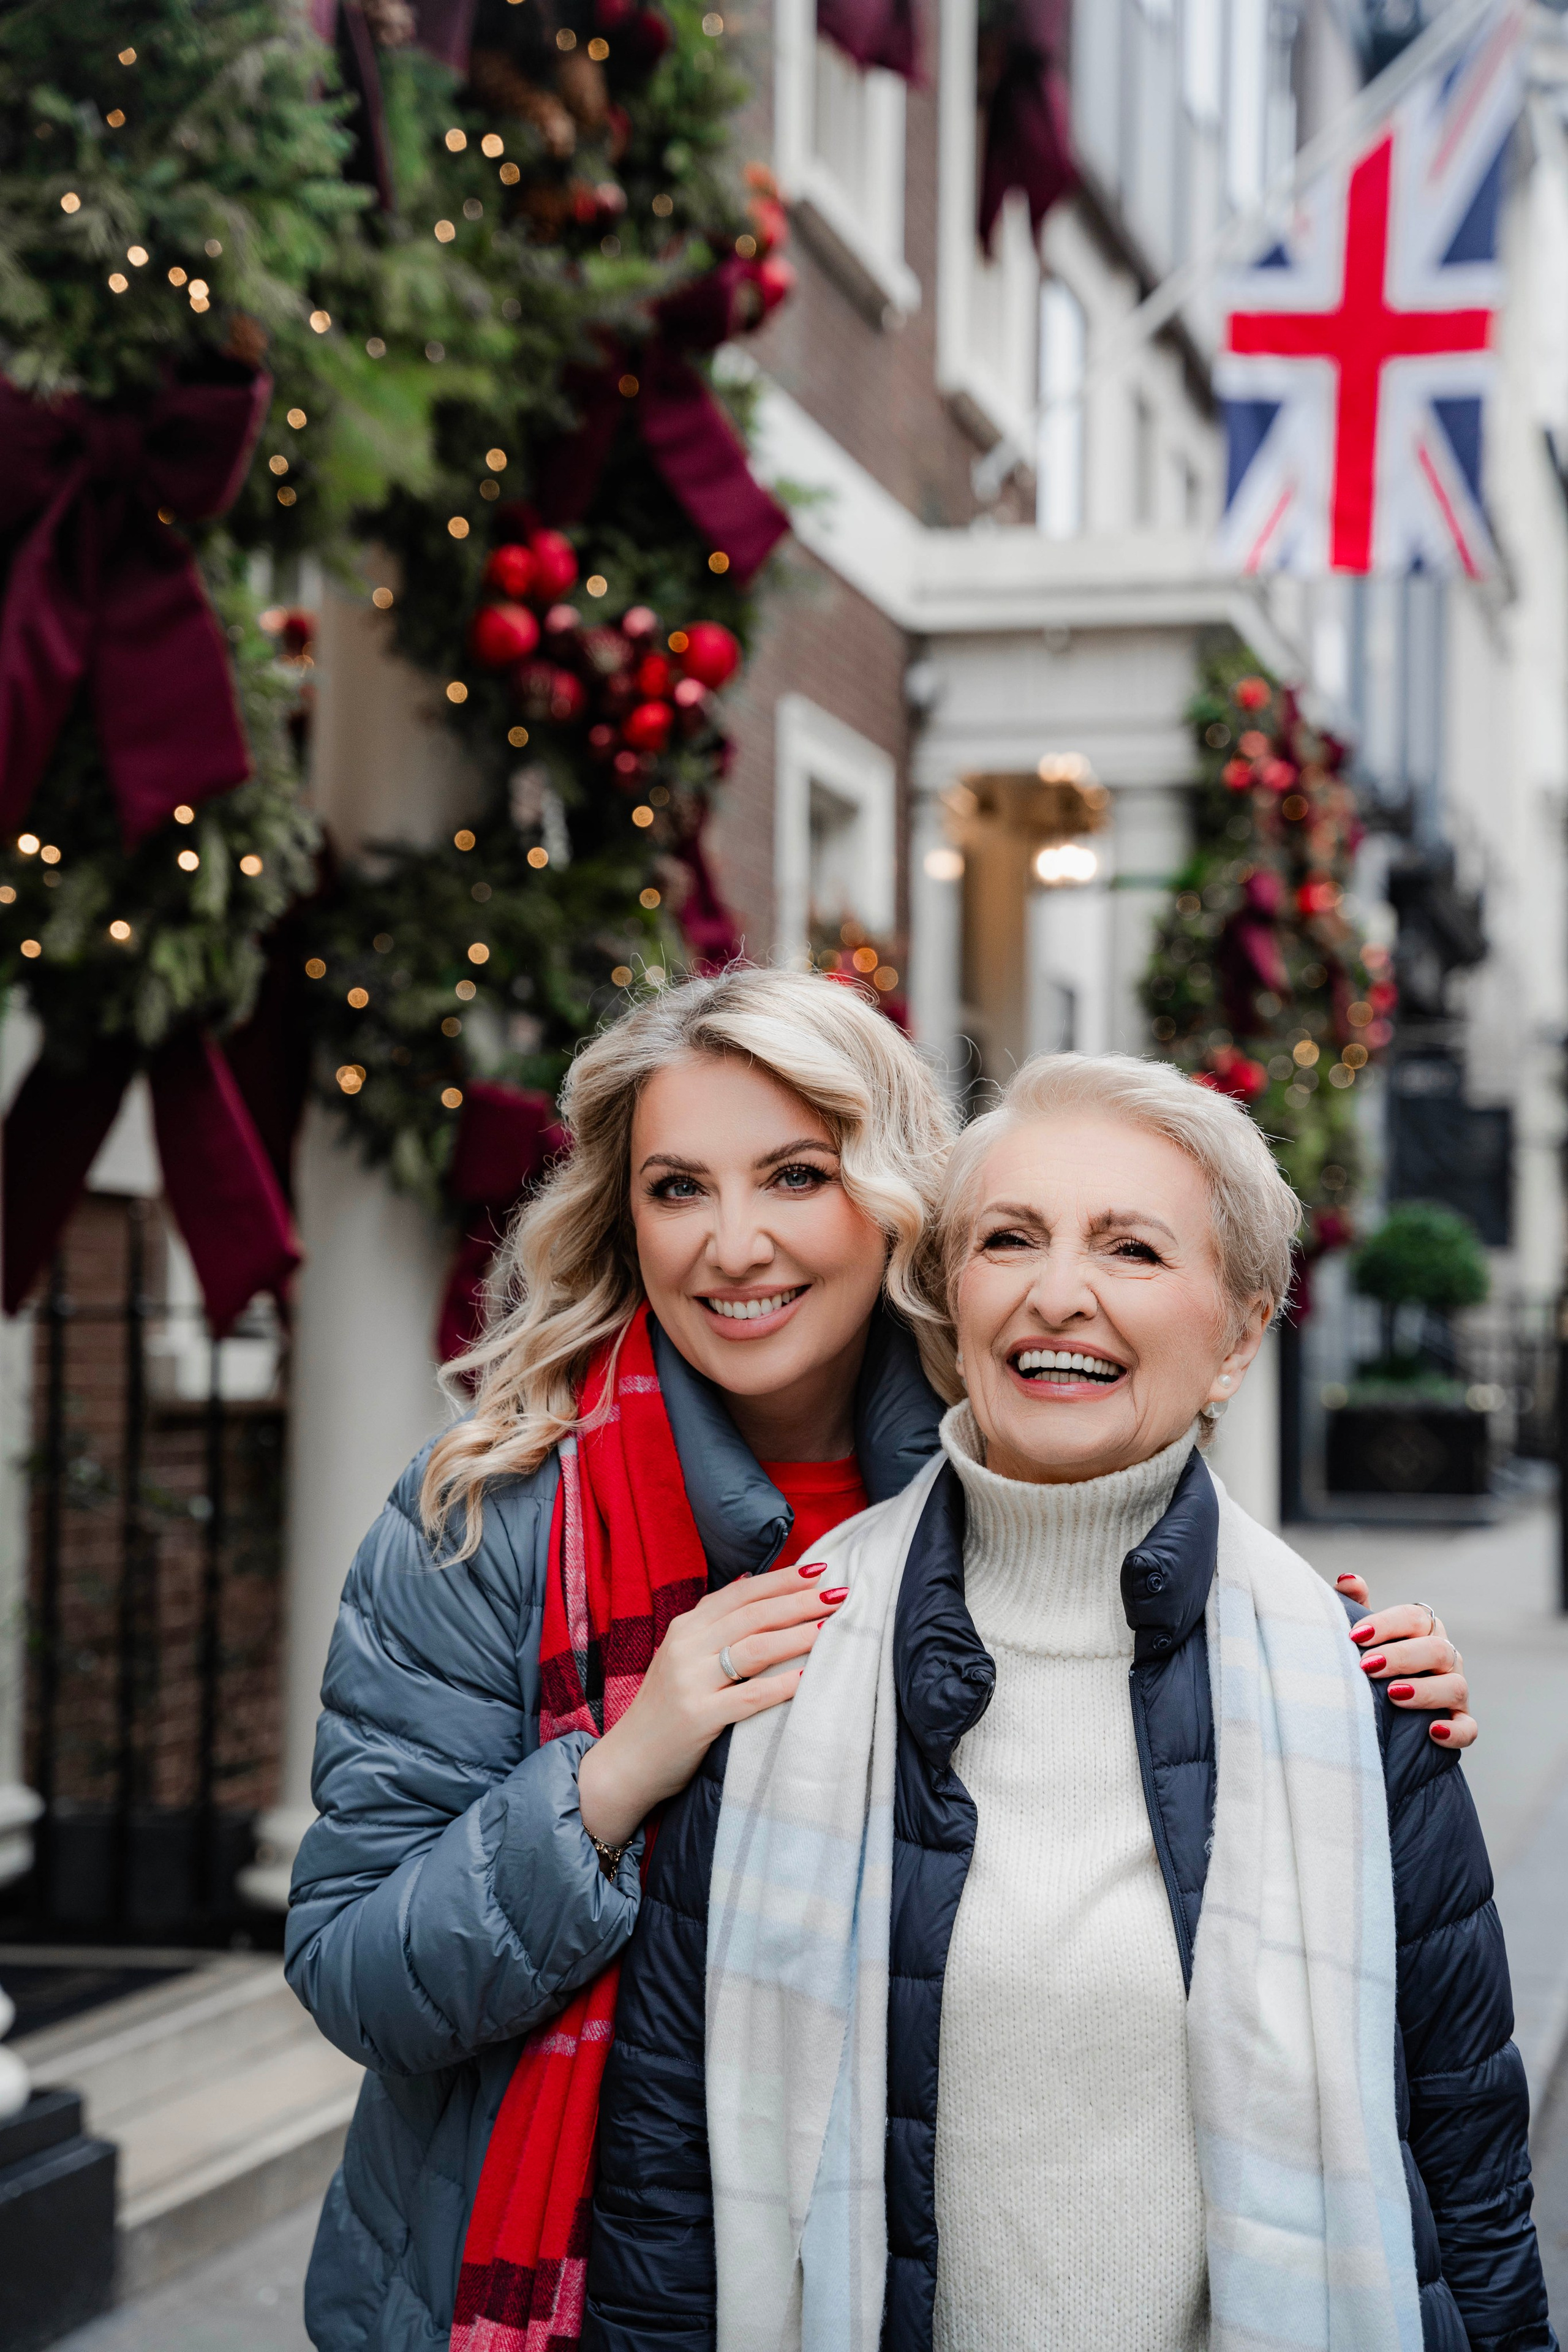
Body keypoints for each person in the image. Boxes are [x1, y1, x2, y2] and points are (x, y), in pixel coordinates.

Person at [285, 973, 1473, 2352]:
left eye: (794, 1175)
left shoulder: (1001, 1462)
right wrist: (609, 1780)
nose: (733, 1245)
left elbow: (1155, 1569)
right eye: (677, 1189)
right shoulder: (491, 1515)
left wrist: (1346, 1683)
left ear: (892, 1196)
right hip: (530, 2264)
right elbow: (354, 1970)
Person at [583, 1050, 1550, 2352]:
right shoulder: (784, 1653)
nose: (1056, 1295)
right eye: (1008, 1239)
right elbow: (663, 2189)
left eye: (1131, 1251)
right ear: (949, 1296)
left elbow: (1473, 2181)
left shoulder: (1358, 1692)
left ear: (1240, 1333)